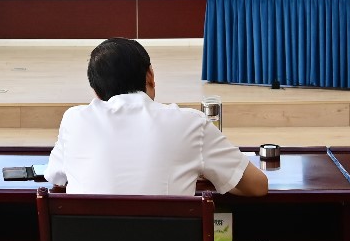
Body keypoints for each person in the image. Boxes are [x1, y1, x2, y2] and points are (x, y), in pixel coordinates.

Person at [47, 37, 268, 197]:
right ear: (150, 75)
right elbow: (257, 186)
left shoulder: (74, 120)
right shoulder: (191, 123)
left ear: (96, 92)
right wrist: (211, 172)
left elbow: (55, 177)